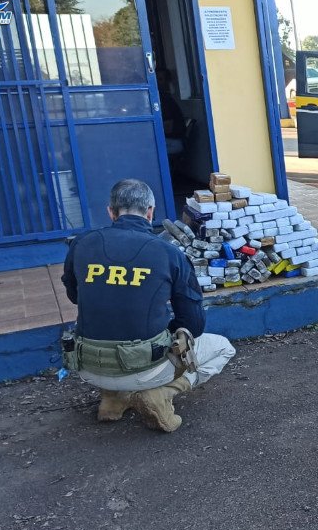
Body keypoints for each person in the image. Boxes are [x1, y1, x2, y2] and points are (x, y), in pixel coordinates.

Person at [61, 179, 235, 432]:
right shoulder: (170, 254)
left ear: (111, 211)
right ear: (151, 212)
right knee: (223, 347)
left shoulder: (81, 243)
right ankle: (160, 394)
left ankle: (113, 398)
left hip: (88, 367)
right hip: (145, 369)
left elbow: (75, 296)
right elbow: (194, 324)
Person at [156, 69, 187, 156]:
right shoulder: (160, 98)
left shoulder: (166, 101)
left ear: (167, 82)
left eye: (160, 79)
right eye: (156, 79)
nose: (157, 82)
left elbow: (168, 128)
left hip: (173, 142)